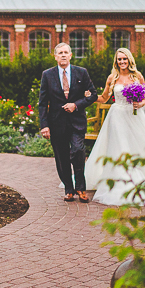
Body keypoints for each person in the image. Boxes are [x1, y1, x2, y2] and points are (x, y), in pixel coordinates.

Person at [85, 48, 145, 206]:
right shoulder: (112, 77)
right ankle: (119, 181)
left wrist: (140, 103)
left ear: (129, 60)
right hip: (116, 117)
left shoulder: (137, 76)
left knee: (141, 146)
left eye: (124, 59)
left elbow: (144, 100)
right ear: (116, 61)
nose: (122, 62)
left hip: (134, 115)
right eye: (119, 59)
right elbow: (104, 98)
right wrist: (91, 97)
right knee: (119, 147)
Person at [38, 43, 98, 203]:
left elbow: (93, 95)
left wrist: (76, 104)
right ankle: (69, 189)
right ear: (55, 56)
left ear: (70, 55)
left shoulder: (81, 72)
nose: (63, 55)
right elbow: (43, 103)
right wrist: (44, 125)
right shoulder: (47, 75)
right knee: (61, 158)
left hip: (77, 122)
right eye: (60, 53)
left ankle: (81, 188)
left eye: (66, 52)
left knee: (78, 151)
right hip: (56, 123)